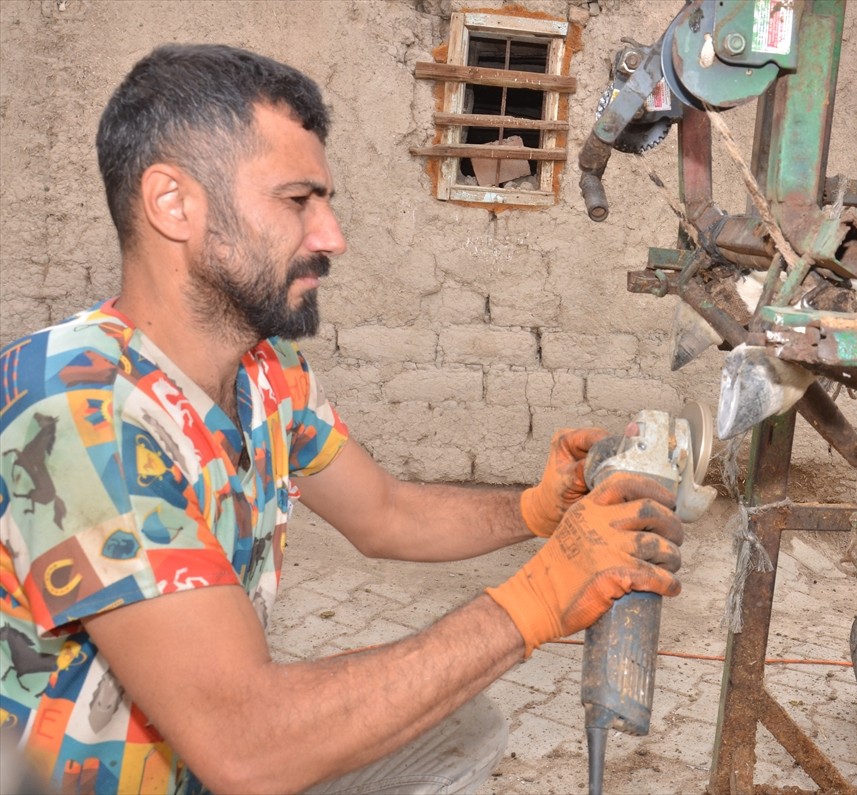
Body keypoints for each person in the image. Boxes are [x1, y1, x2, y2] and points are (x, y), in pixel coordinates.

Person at [0, 43, 684, 795]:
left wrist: (537, 509)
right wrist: (535, 600)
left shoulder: (266, 372)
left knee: (461, 729)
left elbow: (386, 513)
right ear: (173, 204)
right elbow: (244, 746)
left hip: (210, 763)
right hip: (123, 772)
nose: (332, 236)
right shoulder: (78, 407)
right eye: (297, 201)